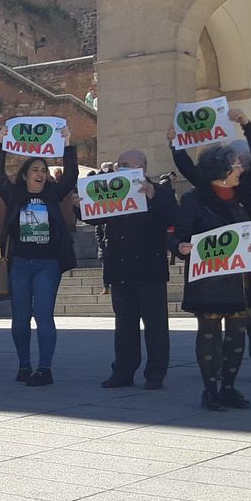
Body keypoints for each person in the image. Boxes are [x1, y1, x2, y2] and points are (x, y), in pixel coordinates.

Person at [172, 110, 251, 383]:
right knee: (211, 329)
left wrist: (247, 126)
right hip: (211, 276)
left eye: (242, 163)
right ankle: (212, 382)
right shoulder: (199, 195)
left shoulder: (248, 190)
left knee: (250, 320)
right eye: (236, 163)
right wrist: (176, 145)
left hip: (243, 269)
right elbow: (190, 171)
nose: (241, 168)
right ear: (222, 168)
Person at [78, 150, 178, 390]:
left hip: (150, 270)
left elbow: (173, 217)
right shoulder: (112, 189)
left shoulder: (161, 192)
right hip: (121, 269)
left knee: (155, 327)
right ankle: (123, 371)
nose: (118, 168)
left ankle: (155, 374)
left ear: (141, 168)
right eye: (117, 164)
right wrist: (79, 206)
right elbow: (94, 219)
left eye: (123, 164)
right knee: (124, 326)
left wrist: (153, 196)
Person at [0, 125, 79, 386]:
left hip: (47, 264)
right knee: (20, 320)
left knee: (43, 315)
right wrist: (1, 145)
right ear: (25, 176)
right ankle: (24, 364)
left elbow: (71, 176)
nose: (40, 174)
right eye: (35, 170)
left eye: (44, 170)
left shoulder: (53, 193)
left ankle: (44, 368)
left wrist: (67, 147)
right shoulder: (15, 194)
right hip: (19, 264)